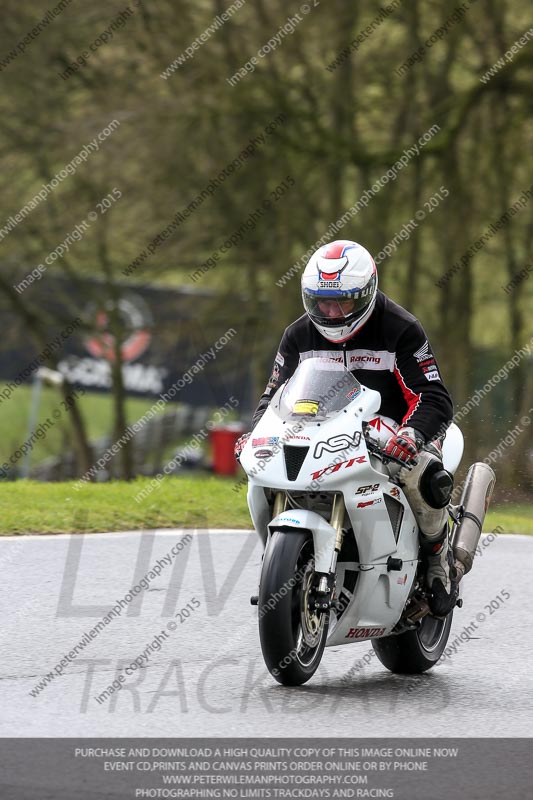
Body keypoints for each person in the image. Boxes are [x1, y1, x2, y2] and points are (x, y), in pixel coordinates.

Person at [235, 239, 458, 616]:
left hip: (395, 429)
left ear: (366, 293)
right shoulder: (297, 336)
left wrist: (413, 435)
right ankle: (287, 563)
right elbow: (272, 397)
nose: (333, 312)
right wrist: (256, 433)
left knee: (423, 474)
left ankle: (438, 558)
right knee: (262, 479)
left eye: (344, 302)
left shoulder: (401, 329)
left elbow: (434, 396)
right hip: (322, 431)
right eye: (322, 302)